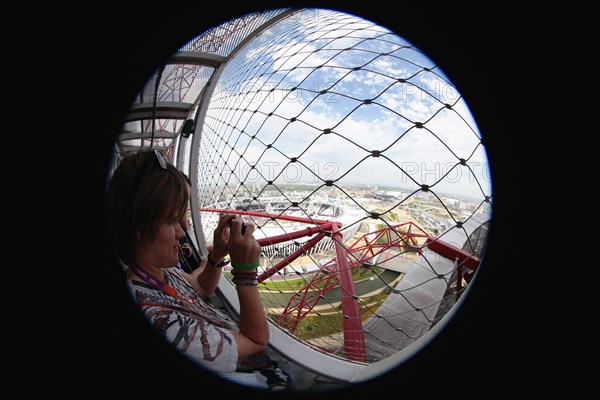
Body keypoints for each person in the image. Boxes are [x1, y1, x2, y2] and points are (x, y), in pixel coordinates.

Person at [106, 149, 285, 388]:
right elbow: (255, 340)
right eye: (171, 220)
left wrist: (218, 254)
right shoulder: (162, 323)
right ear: (138, 227)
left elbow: (201, 285)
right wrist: (246, 272)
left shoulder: (155, 274)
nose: (181, 233)